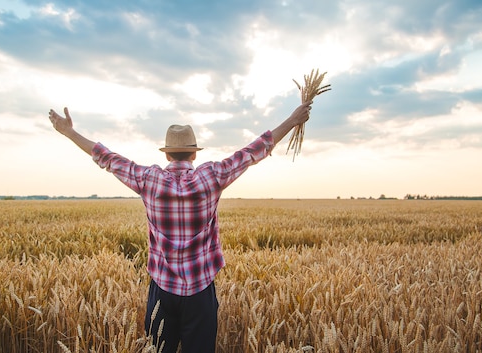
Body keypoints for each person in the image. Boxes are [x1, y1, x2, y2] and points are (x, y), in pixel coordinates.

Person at [48, 100, 312, 352]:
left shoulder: (149, 179)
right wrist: (292, 120)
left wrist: (69, 132)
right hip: (200, 293)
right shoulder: (211, 176)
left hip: (161, 292)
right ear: (194, 153)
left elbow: (106, 157)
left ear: (168, 153)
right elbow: (254, 151)